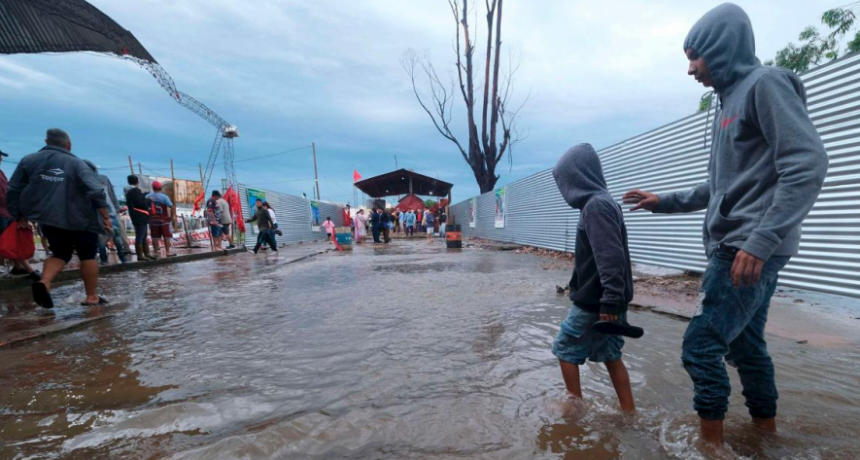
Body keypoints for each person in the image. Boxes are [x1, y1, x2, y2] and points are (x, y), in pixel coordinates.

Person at [622, 3, 828, 446]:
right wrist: (664, 202)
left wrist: (761, 240)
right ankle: (764, 437)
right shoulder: (726, 103)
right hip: (745, 244)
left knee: (700, 347)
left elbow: (807, 163)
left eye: (694, 56)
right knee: (746, 346)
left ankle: (710, 450)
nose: (691, 69)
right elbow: (719, 185)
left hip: (746, 248)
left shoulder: (766, 84)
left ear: (720, 49)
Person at [552, 144, 636, 414]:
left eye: (565, 182)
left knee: (564, 347)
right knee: (612, 355)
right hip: (608, 300)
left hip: (596, 302)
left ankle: (574, 408)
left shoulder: (596, 207)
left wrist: (609, 300)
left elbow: (611, 257)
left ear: (578, 178)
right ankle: (628, 412)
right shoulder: (601, 203)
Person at [7, 128, 113, 308]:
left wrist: (19, 215)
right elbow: (96, 190)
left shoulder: (28, 161)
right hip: (81, 218)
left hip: (49, 218)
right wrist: (106, 216)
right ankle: (92, 297)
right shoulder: (77, 164)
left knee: (60, 253)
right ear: (68, 145)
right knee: (87, 254)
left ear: (46, 142)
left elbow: (13, 190)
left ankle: (44, 282)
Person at [0, 147, 39, 280]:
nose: (1, 158)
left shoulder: (1, 173)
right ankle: (28, 269)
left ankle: (18, 267)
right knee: (5, 242)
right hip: (3, 212)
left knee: (11, 241)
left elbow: (9, 192)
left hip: (8, 212)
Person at [84, 161, 128, 265]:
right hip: (105, 213)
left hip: (107, 213)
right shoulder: (99, 179)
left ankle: (112, 259)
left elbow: (111, 194)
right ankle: (116, 259)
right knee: (106, 238)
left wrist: (116, 208)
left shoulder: (100, 179)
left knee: (110, 237)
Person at [126, 175, 155, 261]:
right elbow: (139, 203)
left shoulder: (129, 192)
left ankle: (146, 253)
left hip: (137, 215)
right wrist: (147, 201)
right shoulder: (135, 191)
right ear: (137, 182)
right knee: (141, 235)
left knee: (144, 235)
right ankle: (141, 255)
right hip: (140, 216)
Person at [148, 181, 176, 258]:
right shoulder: (164, 197)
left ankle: (156, 253)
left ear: (153, 188)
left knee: (155, 237)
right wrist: (171, 217)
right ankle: (167, 252)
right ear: (160, 188)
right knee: (167, 237)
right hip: (164, 220)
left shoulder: (147, 196)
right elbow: (172, 207)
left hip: (153, 220)